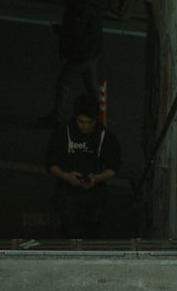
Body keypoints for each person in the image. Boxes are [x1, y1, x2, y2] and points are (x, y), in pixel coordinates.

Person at [44, 94, 122, 239]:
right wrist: (66, 176)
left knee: (92, 234)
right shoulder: (62, 135)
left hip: (95, 198)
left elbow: (114, 167)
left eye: (89, 122)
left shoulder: (106, 138)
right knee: (68, 231)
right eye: (81, 122)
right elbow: (50, 163)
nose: (85, 126)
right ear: (75, 117)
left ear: (96, 119)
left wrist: (97, 178)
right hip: (67, 195)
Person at [37, 0, 104, 128]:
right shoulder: (92, 5)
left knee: (64, 84)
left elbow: (75, 33)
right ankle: (99, 116)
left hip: (81, 55)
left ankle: (55, 116)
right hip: (93, 52)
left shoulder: (78, 9)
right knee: (92, 87)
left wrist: (62, 32)